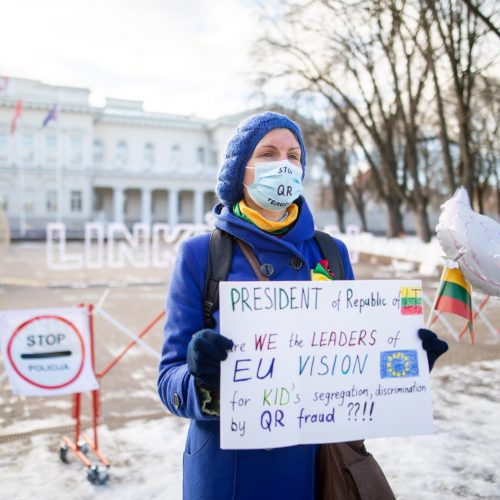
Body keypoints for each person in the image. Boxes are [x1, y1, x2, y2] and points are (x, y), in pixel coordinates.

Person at [157, 111, 448, 500]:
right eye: (268, 153)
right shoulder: (201, 255)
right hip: (228, 475)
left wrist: (404, 366)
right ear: (239, 172)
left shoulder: (330, 252)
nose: (283, 165)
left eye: (293, 156)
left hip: (312, 470)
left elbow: (351, 359)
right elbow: (168, 382)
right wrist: (201, 379)